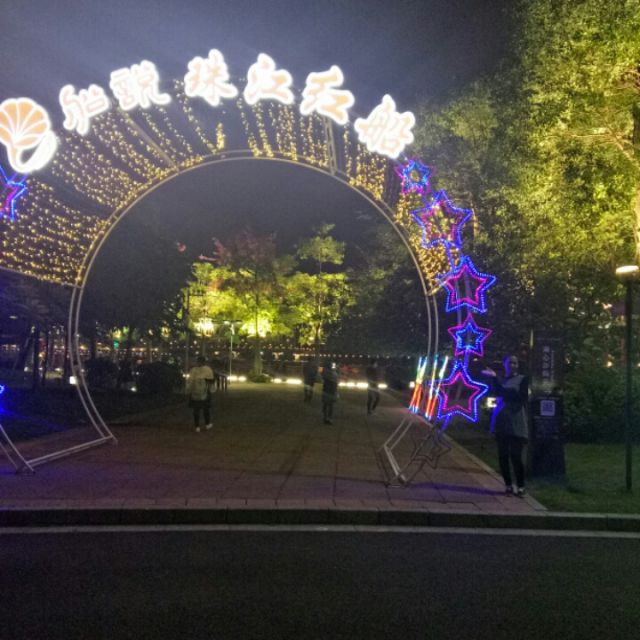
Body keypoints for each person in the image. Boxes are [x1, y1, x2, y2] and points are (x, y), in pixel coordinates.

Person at [482, 355, 529, 497]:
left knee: (516, 456)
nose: (513, 365)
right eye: (510, 363)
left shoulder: (522, 379)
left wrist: (497, 380)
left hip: (516, 423)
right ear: (505, 364)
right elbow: (497, 392)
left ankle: (520, 486)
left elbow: (520, 397)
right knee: (503, 456)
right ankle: (508, 484)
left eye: (515, 363)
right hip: (501, 421)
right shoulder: (501, 380)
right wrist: (494, 379)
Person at [187, 355, 214, 432]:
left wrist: (189, 390)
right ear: (204, 362)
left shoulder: (193, 370)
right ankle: (207, 424)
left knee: (196, 410)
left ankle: (197, 426)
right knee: (206, 409)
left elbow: (190, 381)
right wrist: (211, 390)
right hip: (205, 392)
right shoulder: (208, 370)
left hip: (195, 393)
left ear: (197, 361)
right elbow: (211, 382)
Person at [321, 360, 339, 424]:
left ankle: (325, 417)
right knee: (331, 405)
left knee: (325, 404)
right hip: (332, 390)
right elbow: (336, 383)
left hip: (326, 389)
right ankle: (329, 418)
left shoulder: (325, 372)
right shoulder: (334, 373)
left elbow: (323, 378)